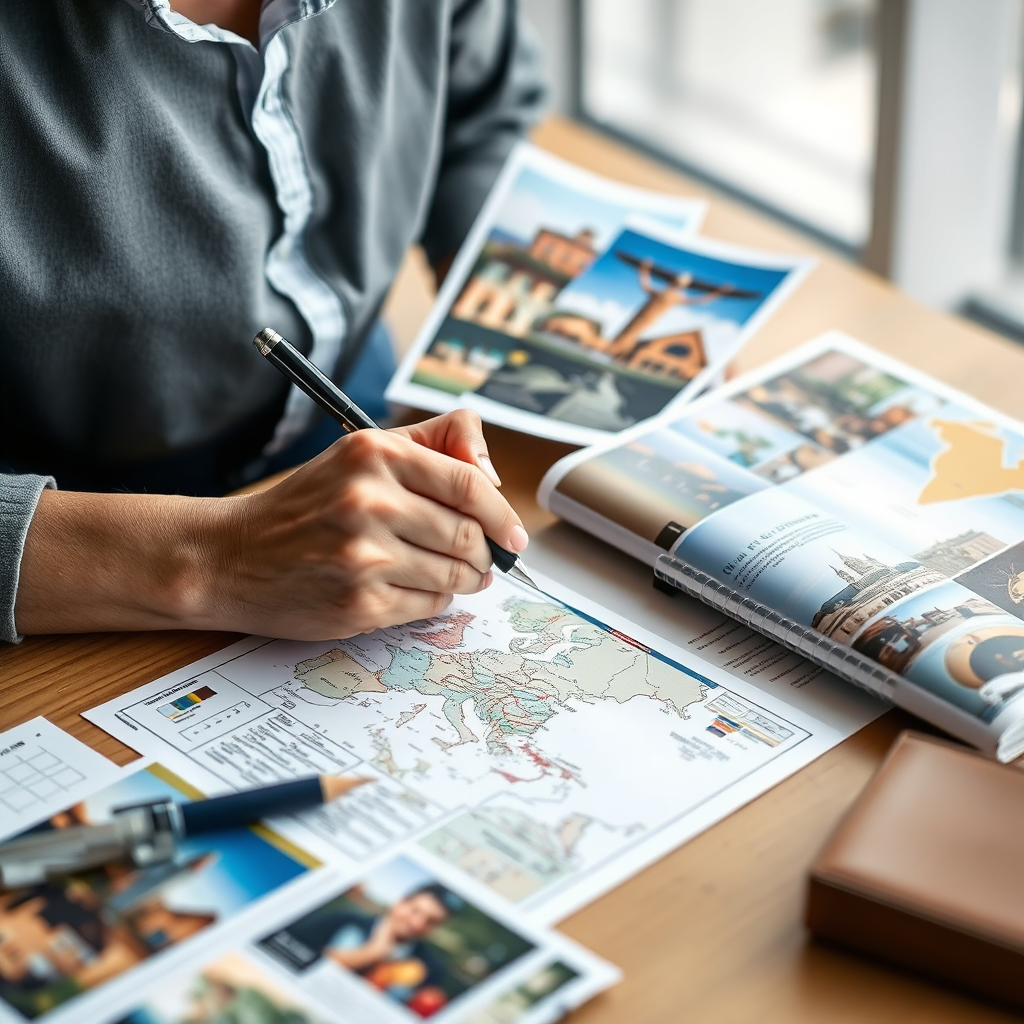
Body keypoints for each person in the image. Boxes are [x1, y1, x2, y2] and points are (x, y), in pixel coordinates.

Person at [0, 0, 546, 644]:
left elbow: (481, 110)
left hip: (367, 418)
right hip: (79, 541)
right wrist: (214, 560)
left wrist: (517, 331)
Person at [288, 883, 460, 1007]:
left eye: (432, 921)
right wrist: (373, 951)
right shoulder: (341, 920)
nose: (417, 924)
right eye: (415, 910)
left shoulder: (432, 969)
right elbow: (286, 955)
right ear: (400, 903)